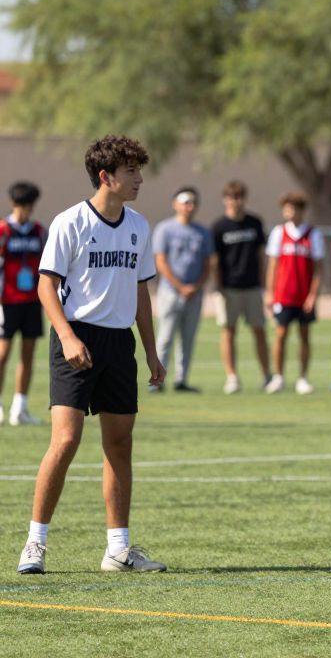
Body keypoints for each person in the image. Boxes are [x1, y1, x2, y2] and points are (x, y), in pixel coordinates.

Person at [17, 134, 167, 575]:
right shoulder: (70, 223)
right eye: (131, 171)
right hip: (75, 338)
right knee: (64, 442)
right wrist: (66, 336)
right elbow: (47, 285)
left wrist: (151, 353)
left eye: (140, 170)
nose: (139, 179)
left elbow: (141, 292)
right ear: (106, 177)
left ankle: (118, 551)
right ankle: (34, 544)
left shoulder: (140, 226)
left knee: (119, 444)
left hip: (119, 344)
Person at [211, 180, 272, 394]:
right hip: (229, 288)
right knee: (229, 331)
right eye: (231, 197)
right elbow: (215, 260)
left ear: (244, 199)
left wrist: (265, 285)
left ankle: (267, 376)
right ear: (225, 199)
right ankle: (232, 377)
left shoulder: (254, 223)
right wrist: (217, 286)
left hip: (252, 286)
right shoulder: (219, 227)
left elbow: (261, 256)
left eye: (239, 197)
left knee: (259, 330)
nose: (235, 201)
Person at [152, 187, 213, 393]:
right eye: (185, 202)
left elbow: (207, 263)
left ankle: (181, 380)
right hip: (170, 292)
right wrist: (180, 286)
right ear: (175, 204)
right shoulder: (165, 229)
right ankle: (157, 380)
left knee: (187, 339)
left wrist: (196, 286)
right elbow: (161, 261)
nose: (190, 206)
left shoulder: (203, 232)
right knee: (165, 337)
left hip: (194, 294)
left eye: (193, 202)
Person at [264, 192, 324, 395]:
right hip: (283, 295)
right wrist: (269, 292)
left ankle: (303, 379)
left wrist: (313, 295)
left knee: (304, 336)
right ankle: (278, 377)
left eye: (292, 208)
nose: (288, 212)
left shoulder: (312, 234)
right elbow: (272, 266)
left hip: (304, 296)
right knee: (280, 335)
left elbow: (317, 269)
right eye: (286, 208)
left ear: (300, 210)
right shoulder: (278, 233)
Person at [0, 181, 46, 426]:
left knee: (27, 355)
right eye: (21, 205)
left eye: (29, 205)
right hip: (6, 302)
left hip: (31, 302)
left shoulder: (39, 231)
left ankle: (20, 408)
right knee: (2, 354)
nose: (25, 210)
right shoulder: (3, 230)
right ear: (13, 204)